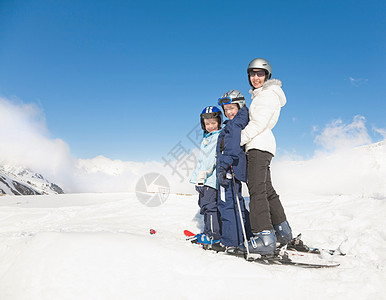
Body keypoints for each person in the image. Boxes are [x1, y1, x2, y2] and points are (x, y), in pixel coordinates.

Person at [238, 58, 292, 256]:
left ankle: (264, 238)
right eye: (252, 74)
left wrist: (239, 140)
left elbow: (258, 123)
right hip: (263, 145)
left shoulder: (267, 96)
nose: (255, 78)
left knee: (257, 191)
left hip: (258, 145)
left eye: (260, 74)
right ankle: (282, 232)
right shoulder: (263, 96)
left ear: (267, 76)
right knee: (267, 190)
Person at [215, 90, 251, 252]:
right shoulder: (237, 121)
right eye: (226, 109)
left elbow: (233, 147)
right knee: (236, 203)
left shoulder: (236, 123)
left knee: (227, 203)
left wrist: (224, 165)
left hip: (229, 168)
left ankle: (230, 241)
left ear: (240, 105)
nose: (228, 112)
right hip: (231, 167)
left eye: (231, 108)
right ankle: (245, 237)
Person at [190, 106, 223, 244]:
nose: (210, 126)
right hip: (203, 180)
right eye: (207, 124)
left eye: (213, 123)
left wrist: (201, 177)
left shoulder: (217, 137)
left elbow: (211, 160)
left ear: (219, 122)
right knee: (203, 205)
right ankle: (208, 230)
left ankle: (213, 235)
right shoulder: (207, 138)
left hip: (209, 180)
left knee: (209, 206)